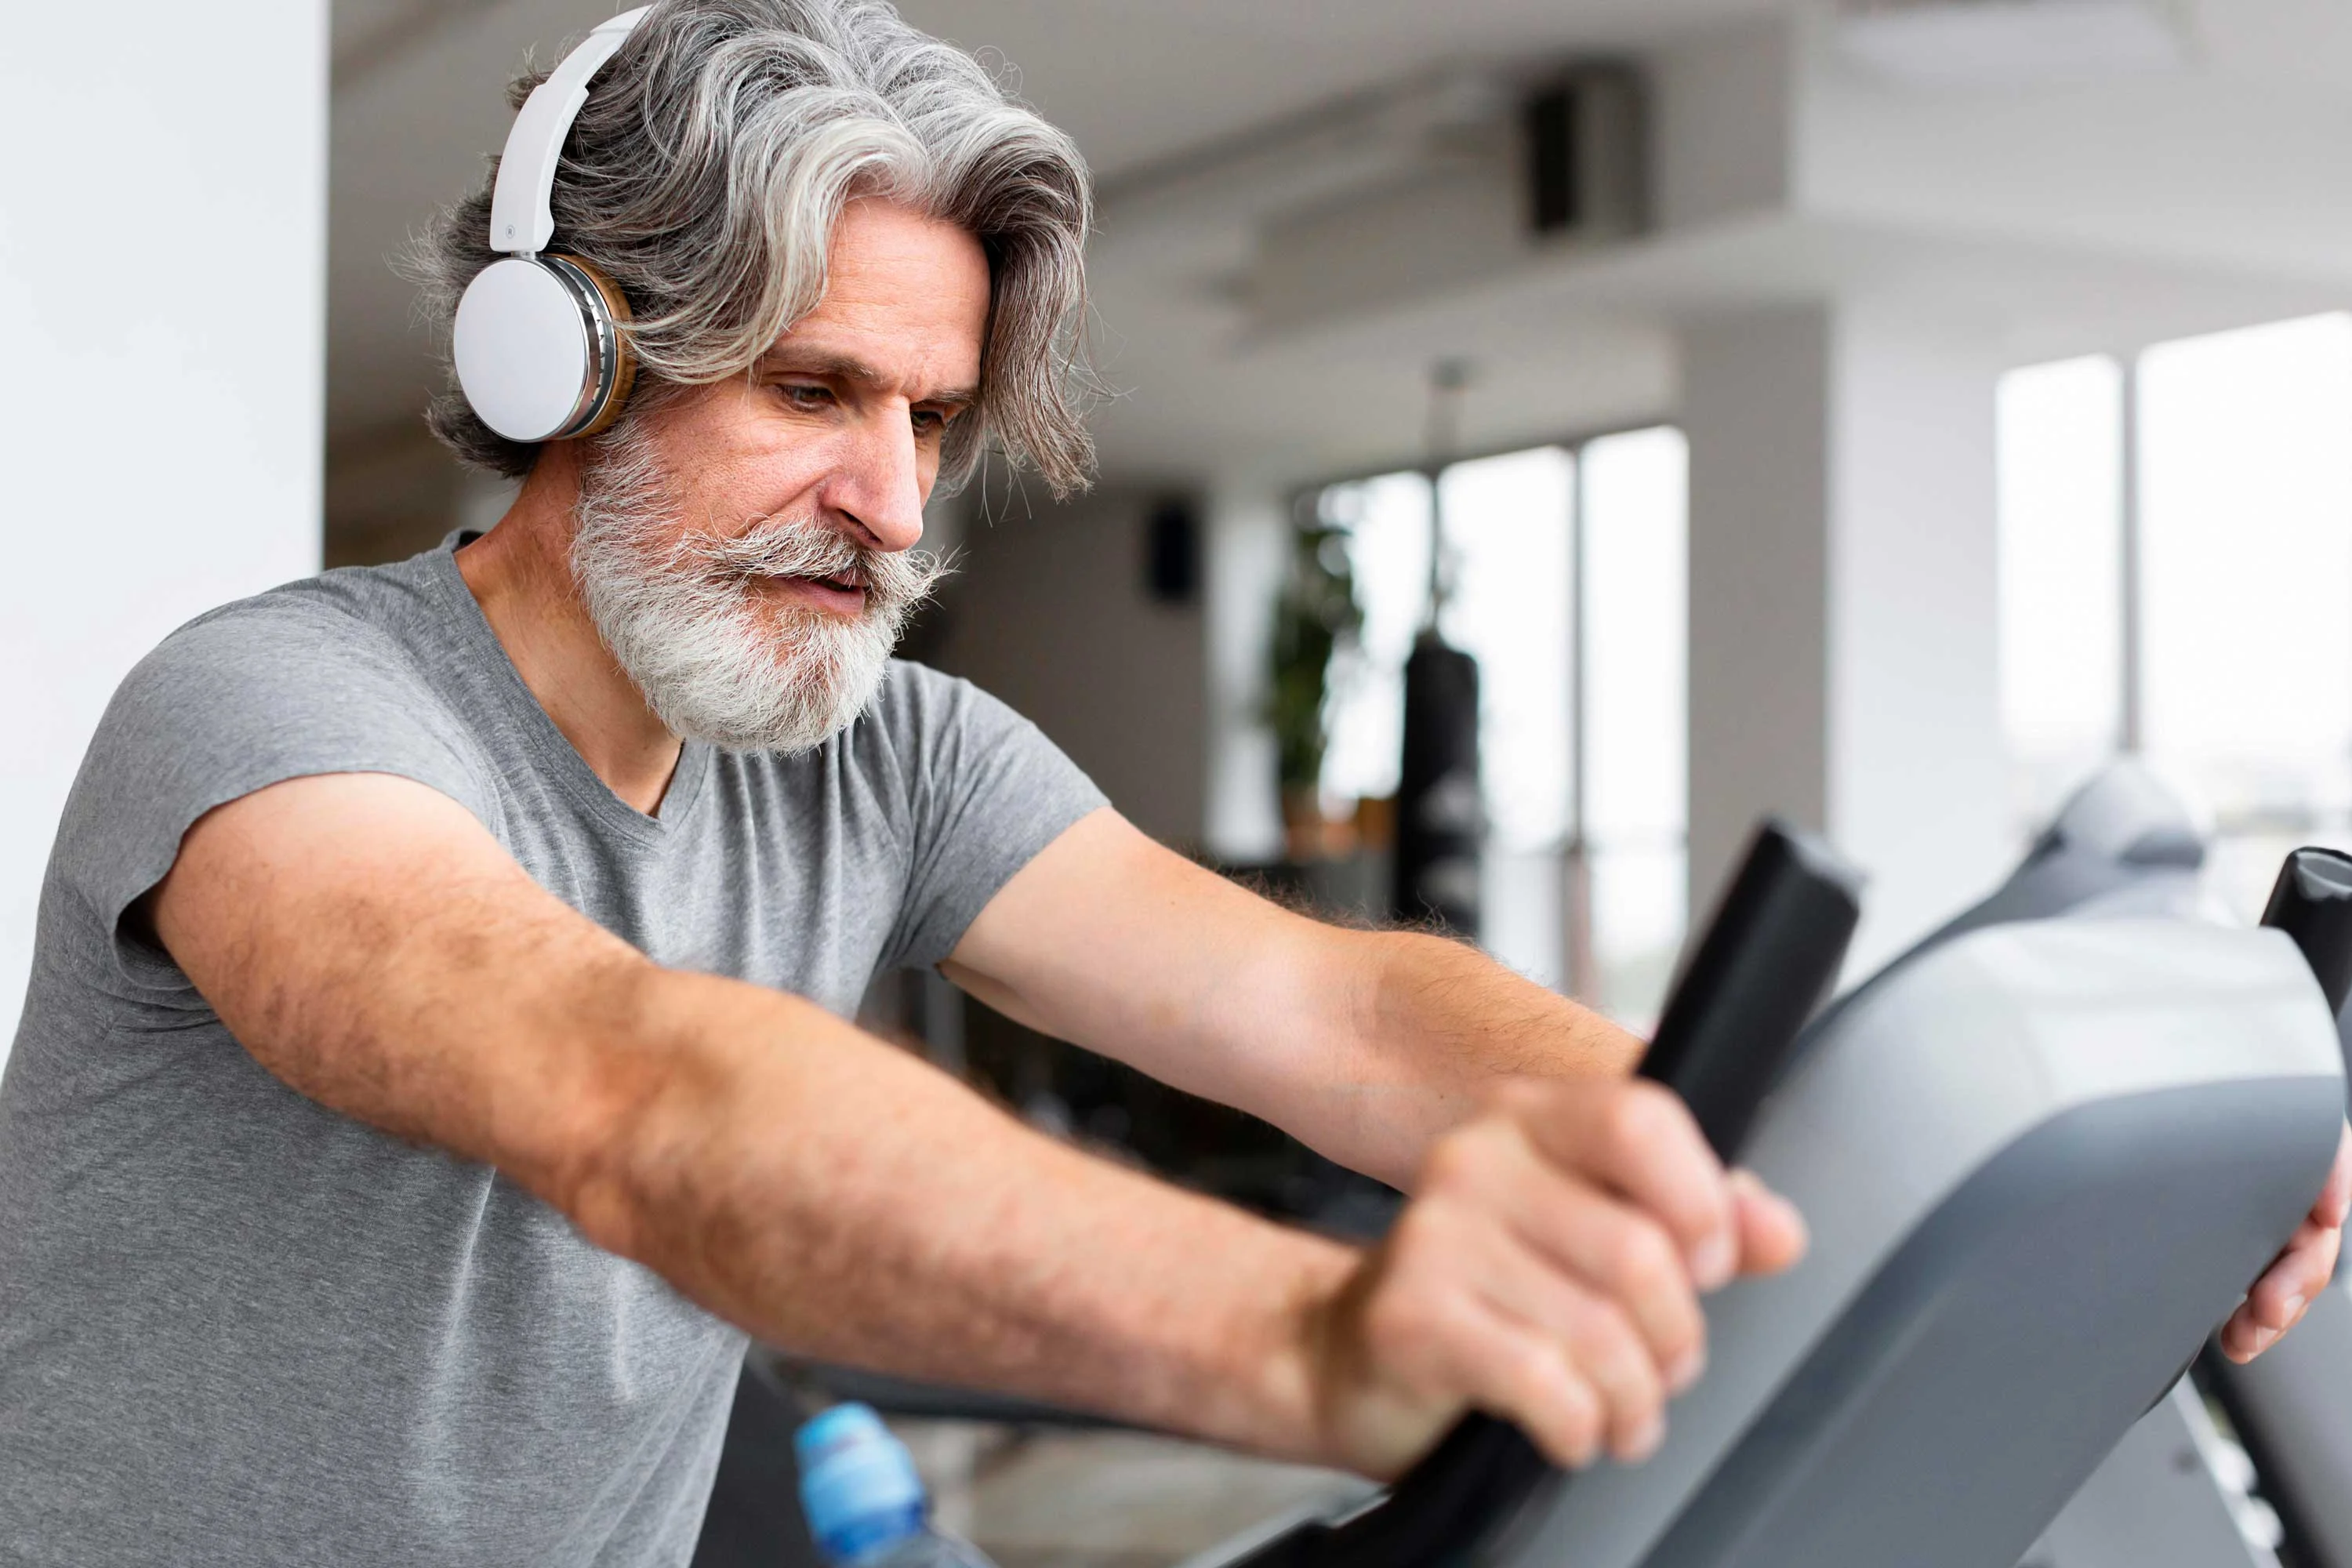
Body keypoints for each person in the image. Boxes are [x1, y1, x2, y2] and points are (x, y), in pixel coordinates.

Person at [1, 2, 2340, 1563]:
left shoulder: (882, 758)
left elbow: (1328, 1017)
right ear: (564, 363)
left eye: (924, 419)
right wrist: (1310, 1346)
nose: (897, 511)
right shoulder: (273, 721)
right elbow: (631, 1094)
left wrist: (1806, 1184)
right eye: (814, 393)